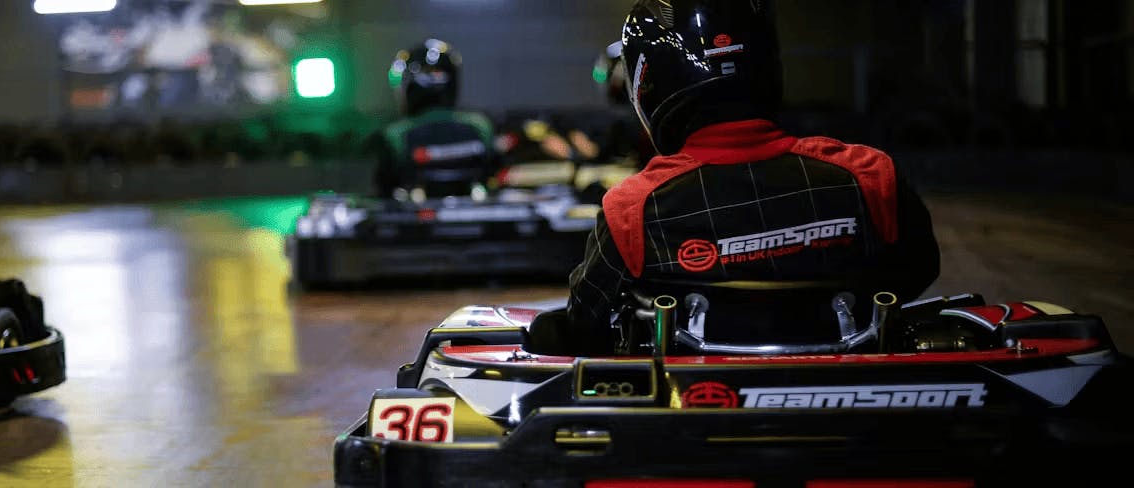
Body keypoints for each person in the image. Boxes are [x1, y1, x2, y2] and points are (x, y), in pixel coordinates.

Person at [530, 0, 940, 356]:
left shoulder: (634, 209)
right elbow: (918, 271)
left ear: (647, 82)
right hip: (855, 400)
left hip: (690, 413)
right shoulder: (868, 176)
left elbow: (586, 324)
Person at [372, 39, 500, 201]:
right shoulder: (480, 126)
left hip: (414, 222)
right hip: (477, 218)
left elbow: (383, 190)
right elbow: (495, 176)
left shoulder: (395, 135)